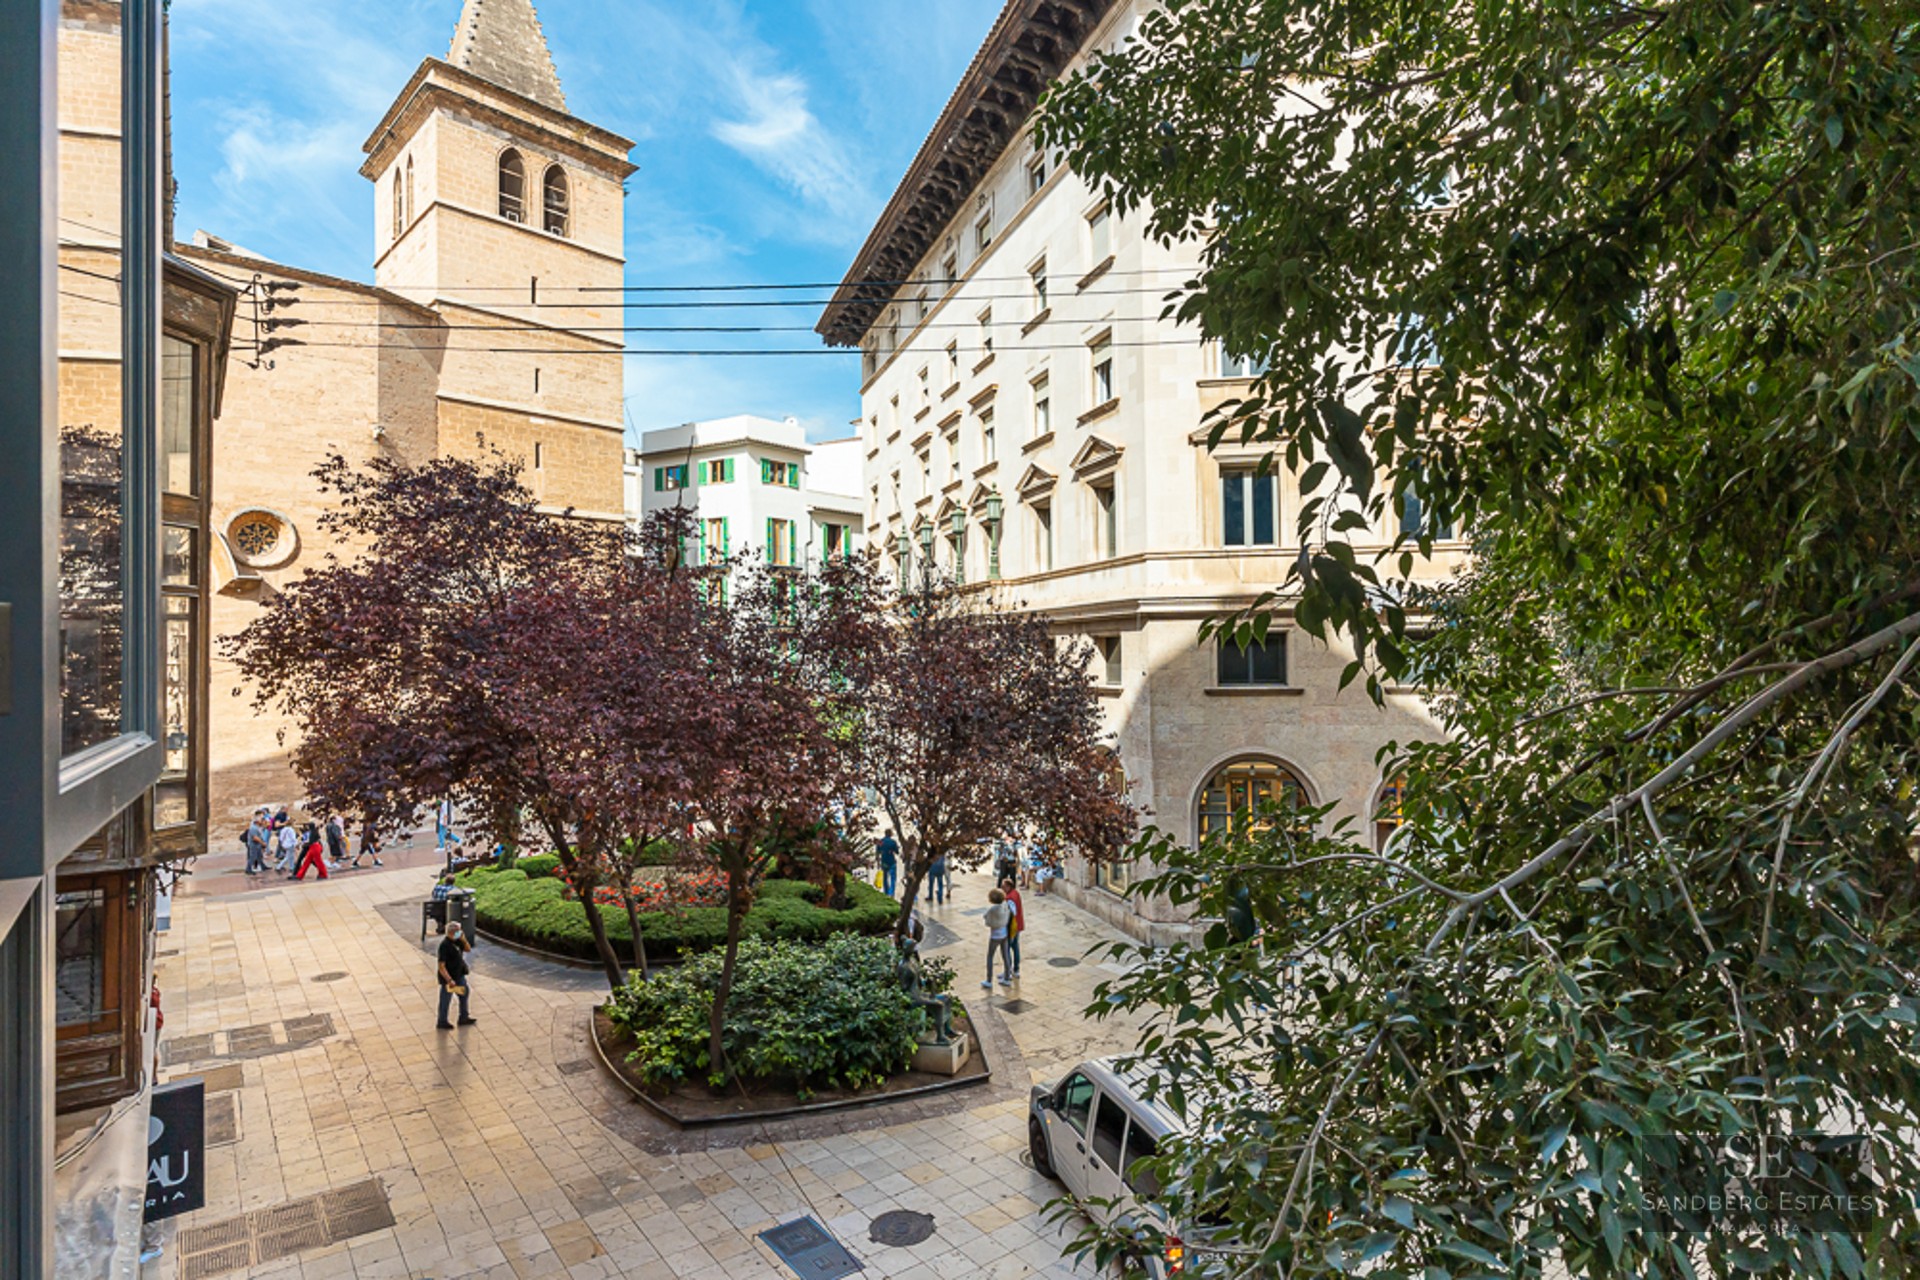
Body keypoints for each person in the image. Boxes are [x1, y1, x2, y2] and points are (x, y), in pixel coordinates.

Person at [435, 921, 475, 1028]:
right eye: (459, 931)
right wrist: (449, 980)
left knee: (464, 993)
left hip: (459, 975)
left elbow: (468, 949)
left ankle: (464, 1016)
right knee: (446, 999)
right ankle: (442, 1021)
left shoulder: (458, 941)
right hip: (450, 978)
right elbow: (441, 966)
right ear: (453, 932)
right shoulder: (445, 945)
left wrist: (463, 938)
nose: (461, 932)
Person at [981, 888, 1013, 989]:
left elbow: (985, 917)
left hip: (995, 936)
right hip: (1004, 934)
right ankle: (1007, 978)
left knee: (990, 956)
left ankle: (989, 980)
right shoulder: (1005, 905)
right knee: (1006, 955)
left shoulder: (993, 909)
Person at [1001, 876, 1025, 977]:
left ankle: (1008, 971)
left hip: (1012, 928)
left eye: (1004, 887)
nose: (1002, 889)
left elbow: (1012, 913)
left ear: (1008, 887)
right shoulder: (1016, 893)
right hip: (1018, 925)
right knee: (1015, 947)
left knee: (1007, 949)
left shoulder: (1009, 898)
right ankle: (1016, 970)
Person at [243, 809, 269, 876]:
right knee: (253, 857)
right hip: (253, 845)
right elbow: (255, 838)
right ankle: (248, 869)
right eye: (261, 819)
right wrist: (262, 843)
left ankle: (263, 866)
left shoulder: (257, 827)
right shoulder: (253, 828)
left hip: (257, 845)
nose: (262, 821)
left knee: (259, 856)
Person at [876, 830, 900, 897]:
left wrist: (878, 862)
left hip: (884, 862)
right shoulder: (893, 842)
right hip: (892, 862)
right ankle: (891, 893)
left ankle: (886, 892)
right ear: (890, 834)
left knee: (885, 878)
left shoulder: (880, 842)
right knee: (893, 878)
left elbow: (877, 853)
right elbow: (897, 852)